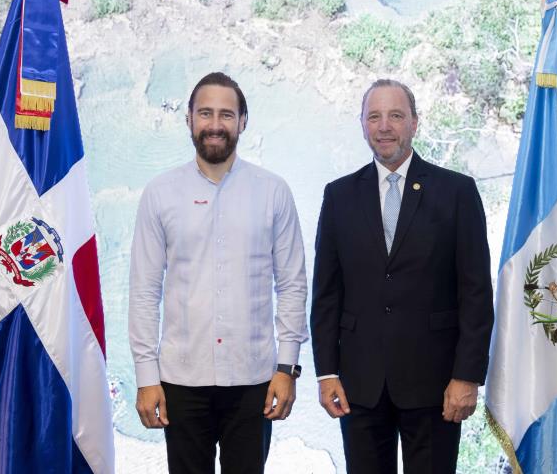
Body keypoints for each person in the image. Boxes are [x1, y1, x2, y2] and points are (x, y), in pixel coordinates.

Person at [310, 79, 494, 473]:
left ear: (415, 122)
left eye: (395, 115)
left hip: (436, 385)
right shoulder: (338, 195)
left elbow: (476, 293)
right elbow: (326, 293)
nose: (384, 126)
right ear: (362, 125)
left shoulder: (456, 192)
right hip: (360, 386)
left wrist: (467, 376)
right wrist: (326, 372)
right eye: (373, 116)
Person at [129, 72, 308, 474]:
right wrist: (145, 376)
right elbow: (144, 291)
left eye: (226, 114)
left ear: (243, 121)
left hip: (255, 380)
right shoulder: (159, 193)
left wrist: (287, 368)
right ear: (189, 119)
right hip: (180, 380)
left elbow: (293, 285)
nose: (215, 124)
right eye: (205, 113)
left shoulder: (274, 191)